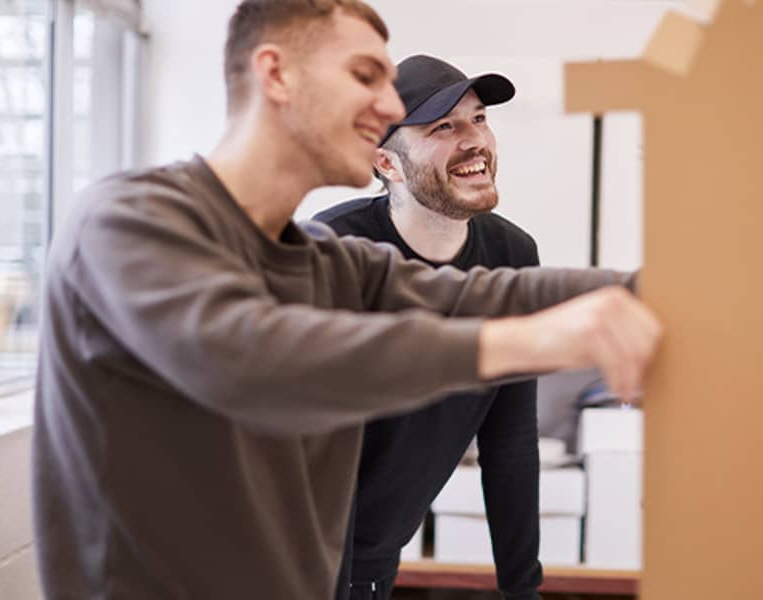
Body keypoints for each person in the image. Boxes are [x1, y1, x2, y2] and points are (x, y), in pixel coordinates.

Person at [32, 1, 661, 599]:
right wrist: (532, 338)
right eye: (365, 77)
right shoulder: (129, 221)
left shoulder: (318, 261)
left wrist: (666, 287)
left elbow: (481, 294)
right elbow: (253, 359)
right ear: (277, 76)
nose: (387, 103)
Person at [315, 54, 545, 600]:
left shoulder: (512, 258)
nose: (474, 140)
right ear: (387, 164)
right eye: (444, 126)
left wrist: (523, 591)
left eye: (479, 118)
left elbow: (509, 439)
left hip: (372, 557)